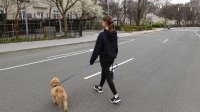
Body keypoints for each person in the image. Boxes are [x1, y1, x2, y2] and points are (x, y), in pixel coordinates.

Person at [90, 15, 121, 103]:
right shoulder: (114, 33)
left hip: (104, 59)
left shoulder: (102, 35)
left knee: (107, 76)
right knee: (104, 72)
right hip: (111, 58)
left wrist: (92, 60)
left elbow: (97, 49)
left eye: (102, 21)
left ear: (105, 23)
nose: (101, 22)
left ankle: (116, 96)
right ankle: (100, 87)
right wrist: (114, 55)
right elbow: (116, 47)